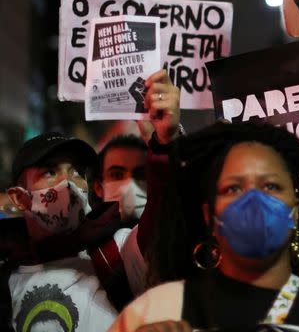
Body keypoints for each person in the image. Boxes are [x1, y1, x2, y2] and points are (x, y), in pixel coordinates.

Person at [110, 121, 299, 332]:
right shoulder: (156, 312)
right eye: (233, 188)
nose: (254, 200)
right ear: (209, 215)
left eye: (270, 186)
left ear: (296, 207)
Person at [0, 69, 181, 331]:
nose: (69, 182)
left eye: (76, 171)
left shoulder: (116, 252)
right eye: (50, 172)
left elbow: (163, 219)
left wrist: (166, 145)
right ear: (19, 198)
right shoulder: (6, 276)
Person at [89, 135, 148, 227]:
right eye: (117, 175)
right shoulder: (83, 239)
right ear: (99, 188)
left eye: (140, 174)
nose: (130, 185)